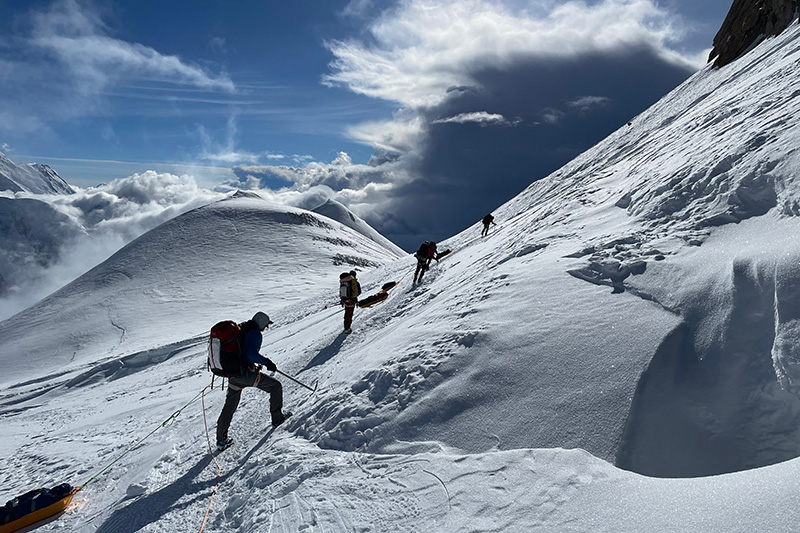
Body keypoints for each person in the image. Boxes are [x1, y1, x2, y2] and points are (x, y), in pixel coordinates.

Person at [216, 311, 290, 451]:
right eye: (266, 325)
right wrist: (268, 362)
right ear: (261, 323)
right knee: (275, 386)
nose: (266, 328)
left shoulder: (243, 329)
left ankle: (221, 440)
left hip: (234, 375)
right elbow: (250, 354)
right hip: (246, 375)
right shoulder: (255, 333)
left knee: (229, 406)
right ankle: (277, 419)